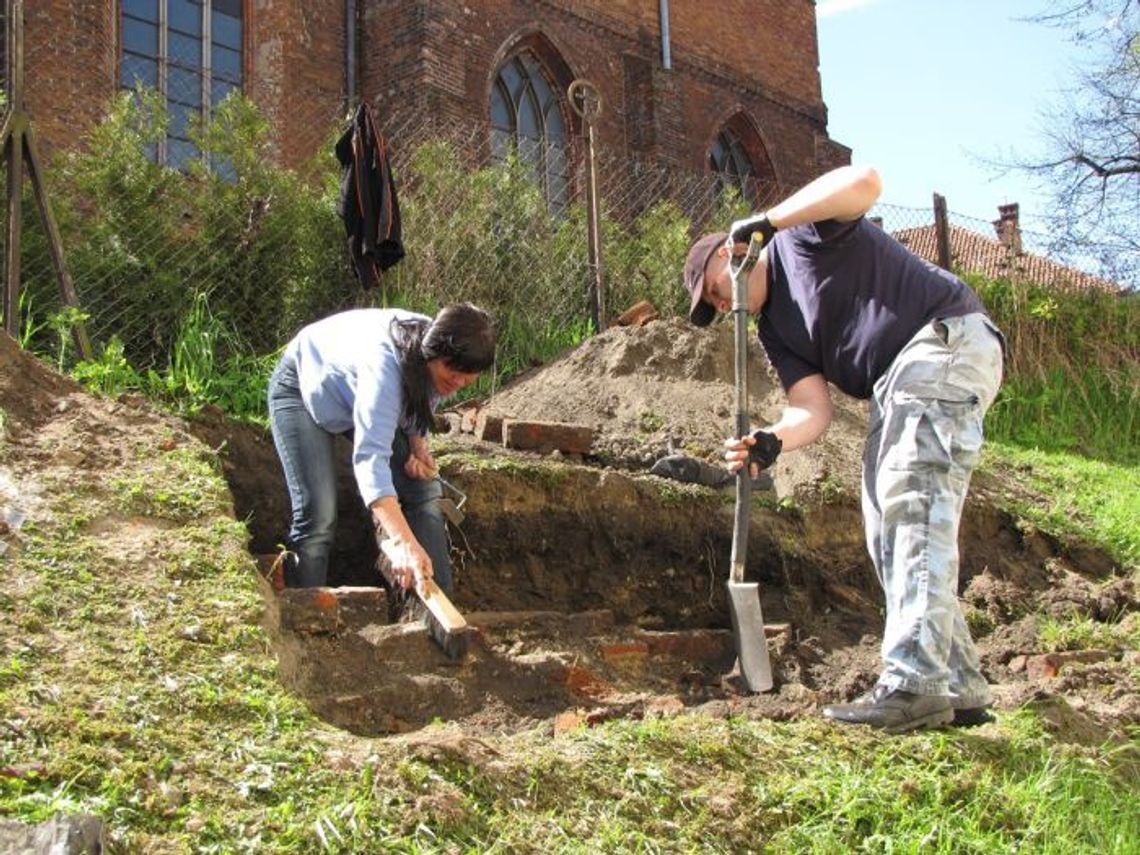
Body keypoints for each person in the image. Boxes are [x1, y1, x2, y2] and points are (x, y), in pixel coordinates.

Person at [682, 164, 1005, 733]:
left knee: (911, 502)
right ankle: (957, 684)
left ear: (733, 252)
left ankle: (913, 684)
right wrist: (770, 440)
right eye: (712, 301)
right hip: (897, 382)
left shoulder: (802, 236)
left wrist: (772, 219)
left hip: (940, 342)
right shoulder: (774, 330)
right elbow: (813, 410)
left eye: (714, 285)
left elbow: (867, 181)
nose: (722, 299)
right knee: (886, 524)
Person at [268, 303, 497, 594]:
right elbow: (370, 462)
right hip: (303, 384)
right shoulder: (385, 370)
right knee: (319, 516)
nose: (460, 381)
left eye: (470, 375)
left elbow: (424, 397)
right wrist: (403, 543)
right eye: (454, 371)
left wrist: (418, 446)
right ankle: (304, 614)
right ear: (432, 352)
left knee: (423, 489)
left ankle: (441, 605)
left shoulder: (438, 343)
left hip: (355, 390)